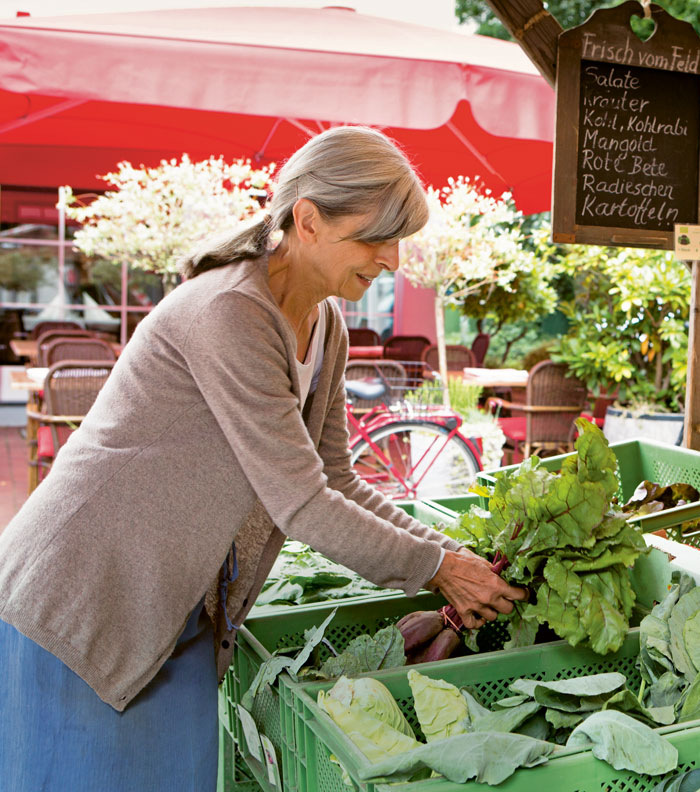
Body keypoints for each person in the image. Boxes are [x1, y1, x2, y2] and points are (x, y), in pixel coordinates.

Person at [0, 126, 526, 790]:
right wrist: (439, 568)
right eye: (374, 238)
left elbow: (334, 477)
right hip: (86, 596)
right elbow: (300, 502)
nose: (391, 260)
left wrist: (448, 555)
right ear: (307, 221)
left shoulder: (323, 321)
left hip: (174, 601)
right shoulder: (230, 313)